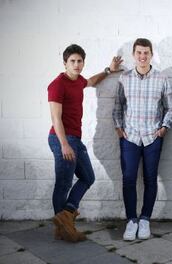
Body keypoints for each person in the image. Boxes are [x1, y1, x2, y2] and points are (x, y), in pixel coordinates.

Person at [48, 44, 122, 242]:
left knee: (87, 177)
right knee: (63, 183)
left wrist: (108, 70)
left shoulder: (78, 80)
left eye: (79, 61)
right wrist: (64, 144)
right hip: (61, 137)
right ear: (65, 63)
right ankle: (64, 228)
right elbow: (56, 118)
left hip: (74, 138)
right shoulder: (57, 84)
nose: (77, 64)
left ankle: (66, 216)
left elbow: (90, 81)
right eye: (72, 61)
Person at [112, 38, 172, 241]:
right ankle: (131, 221)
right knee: (129, 179)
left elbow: (171, 107)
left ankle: (145, 219)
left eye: (146, 53)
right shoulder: (124, 78)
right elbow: (118, 106)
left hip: (152, 137)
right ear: (134, 55)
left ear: (151, 54)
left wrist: (164, 127)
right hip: (129, 136)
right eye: (139, 53)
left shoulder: (161, 78)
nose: (142, 56)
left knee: (150, 179)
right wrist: (118, 127)